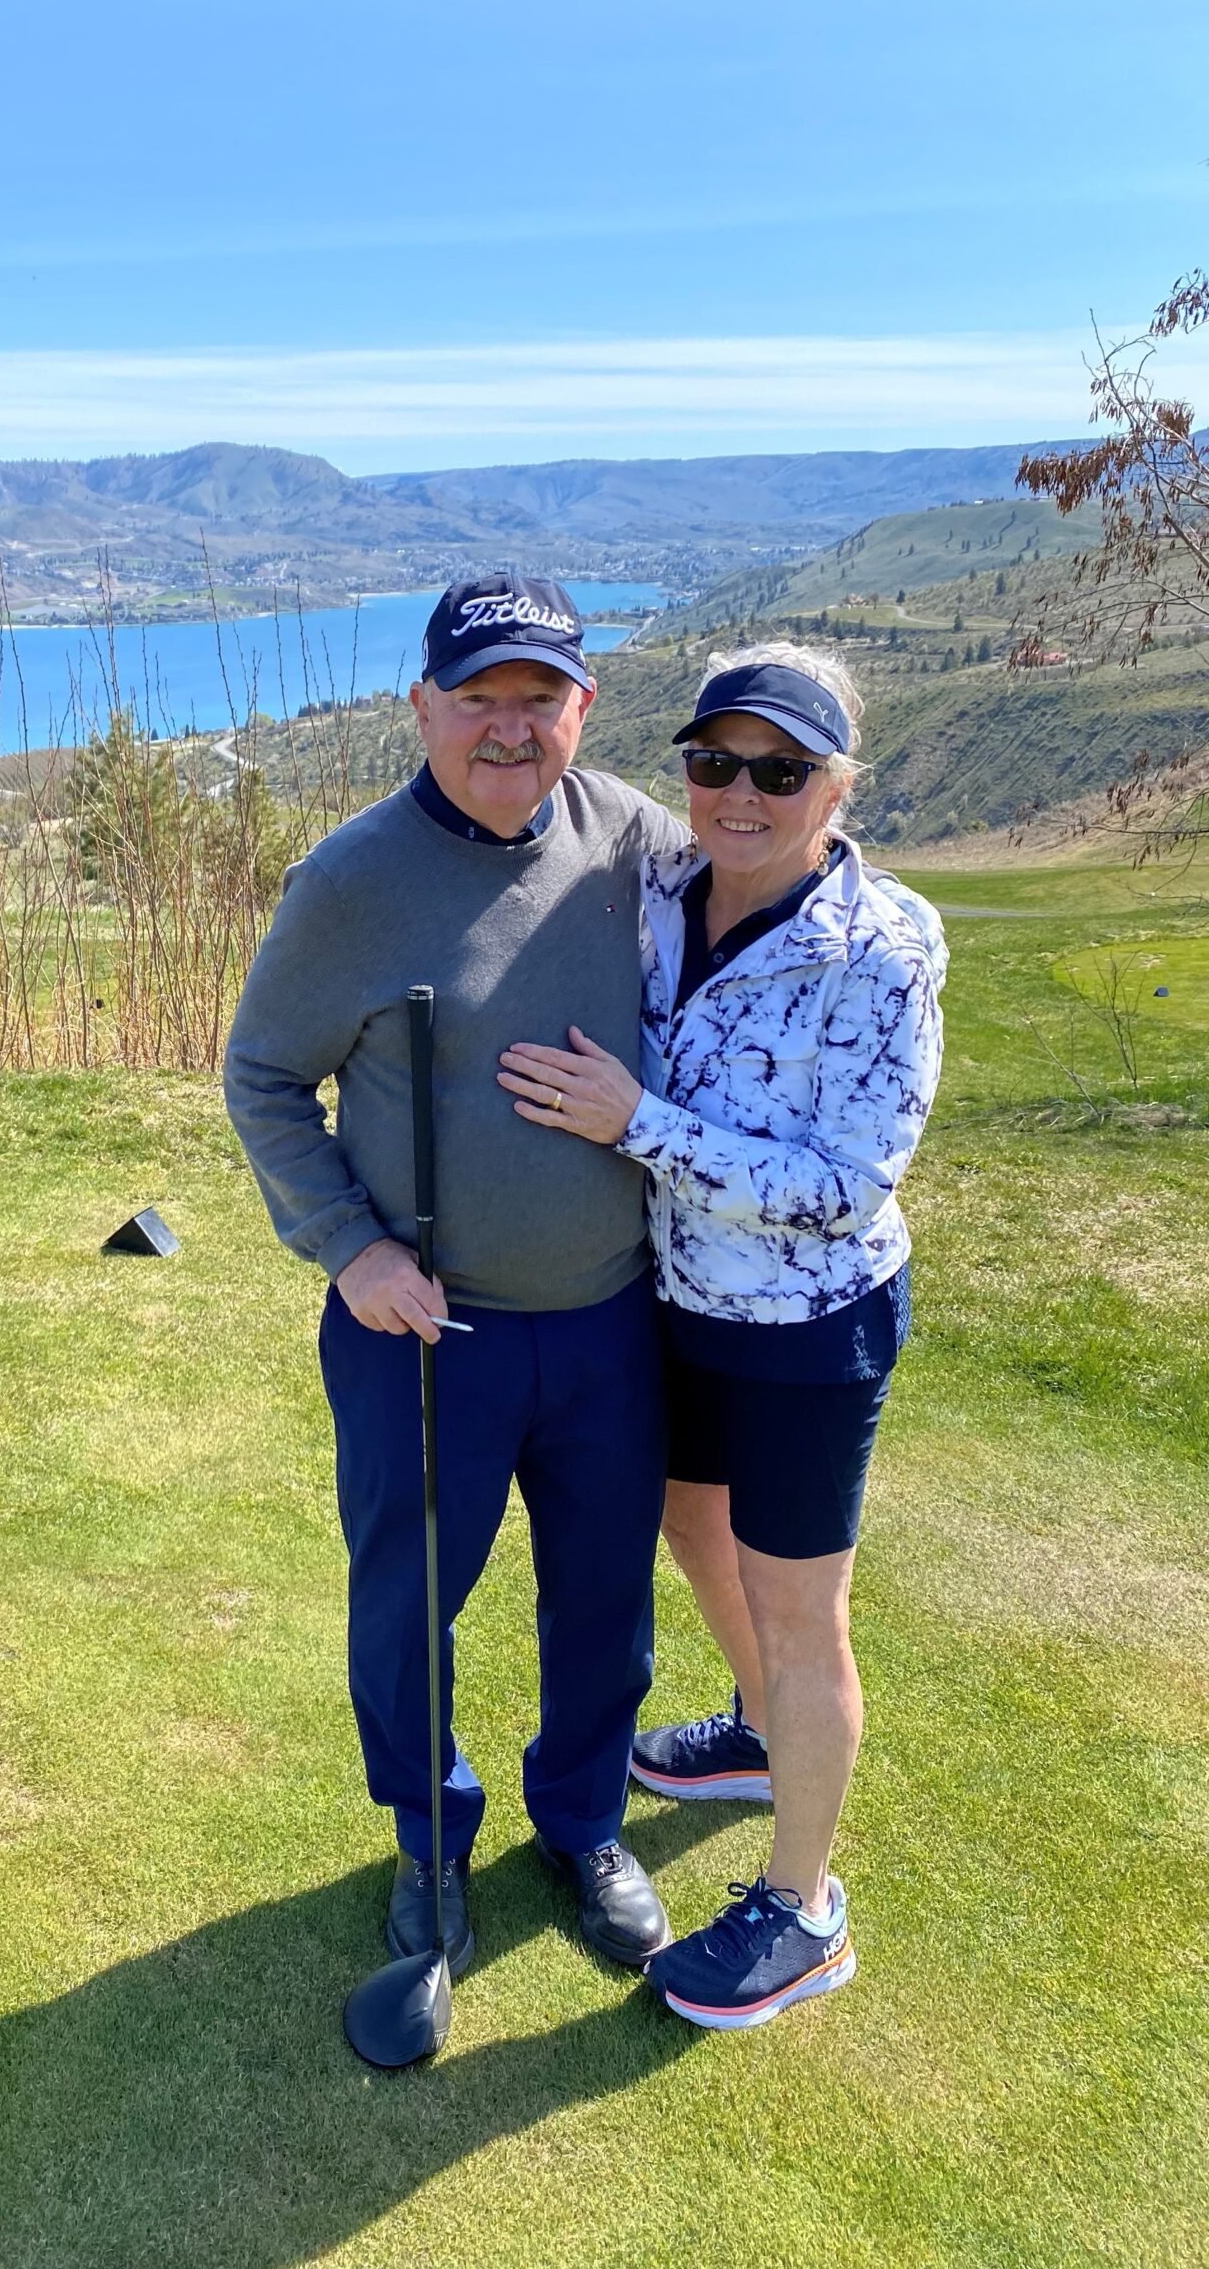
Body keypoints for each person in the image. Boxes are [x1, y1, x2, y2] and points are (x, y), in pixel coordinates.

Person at [225, 574, 687, 1981]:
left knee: (604, 1604)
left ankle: (582, 1822)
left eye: (538, 697)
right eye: (477, 697)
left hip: (610, 1319)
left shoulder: (633, 840)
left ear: (582, 707)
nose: (508, 727)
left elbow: (770, 878)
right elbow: (262, 1077)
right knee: (408, 1609)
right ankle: (429, 1841)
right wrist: (350, 1245)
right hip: (423, 1330)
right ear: (421, 706)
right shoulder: (351, 882)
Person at [496, 643, 946, 2027]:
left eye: (781, 770)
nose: (740, 793)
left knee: (802, 1607)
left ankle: (805, 1912)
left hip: (810, 1326)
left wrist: (638, 1124)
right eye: (713, 761)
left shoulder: (884, 949)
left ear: (837, 785)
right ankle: (759, 1730)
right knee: (692, 1524)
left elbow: (845, 1187)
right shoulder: (660, 886)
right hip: (674, 1300)